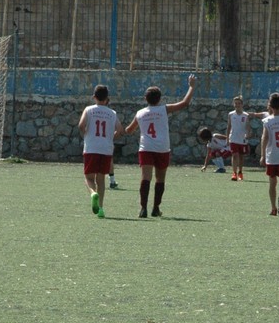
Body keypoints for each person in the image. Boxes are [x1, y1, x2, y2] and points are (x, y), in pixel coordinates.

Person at [125, 74, 196, 218]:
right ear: (160, 99)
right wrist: (191, 87)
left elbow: (129, 130)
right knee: (160, 178)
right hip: (162, 148)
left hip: (146, 148)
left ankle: (143, 208)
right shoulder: (164, 109)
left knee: (145, 177)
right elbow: (184, 103)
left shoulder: (140, 113)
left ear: (145, 98)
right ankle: (156, 208)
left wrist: (121, 130)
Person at [78, 84, 124, 219]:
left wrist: (87, 134)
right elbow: (120, 130)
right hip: (106, 149)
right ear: (107, 98)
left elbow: (81, 125)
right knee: (101, 179)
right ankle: (101, 209)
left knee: (88, 177)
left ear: (94, 97)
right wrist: (111, 137)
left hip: (91, 148)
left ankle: (93, 193)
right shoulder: (112, 113)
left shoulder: (89, 110)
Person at [252, 93, 279, 216]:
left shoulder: (267, 121)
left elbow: (264, 138)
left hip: (272, 156)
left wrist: (262, 155)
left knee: (272, 183)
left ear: (270, 106)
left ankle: (273, 208)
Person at [225, 96, 251, 181]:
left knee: (241, 156)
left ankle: (240, 172)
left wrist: (247, 134)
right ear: (233, 104)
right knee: (234, 155)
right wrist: (227, 138)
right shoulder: (231, 114)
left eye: (239, 103)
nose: (237, 105)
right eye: (235, 103)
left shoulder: (246, 115)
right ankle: (234, 173)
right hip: (233, 138)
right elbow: (229, 126)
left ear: (242, 104)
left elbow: (248, 127)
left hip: (242, 139)